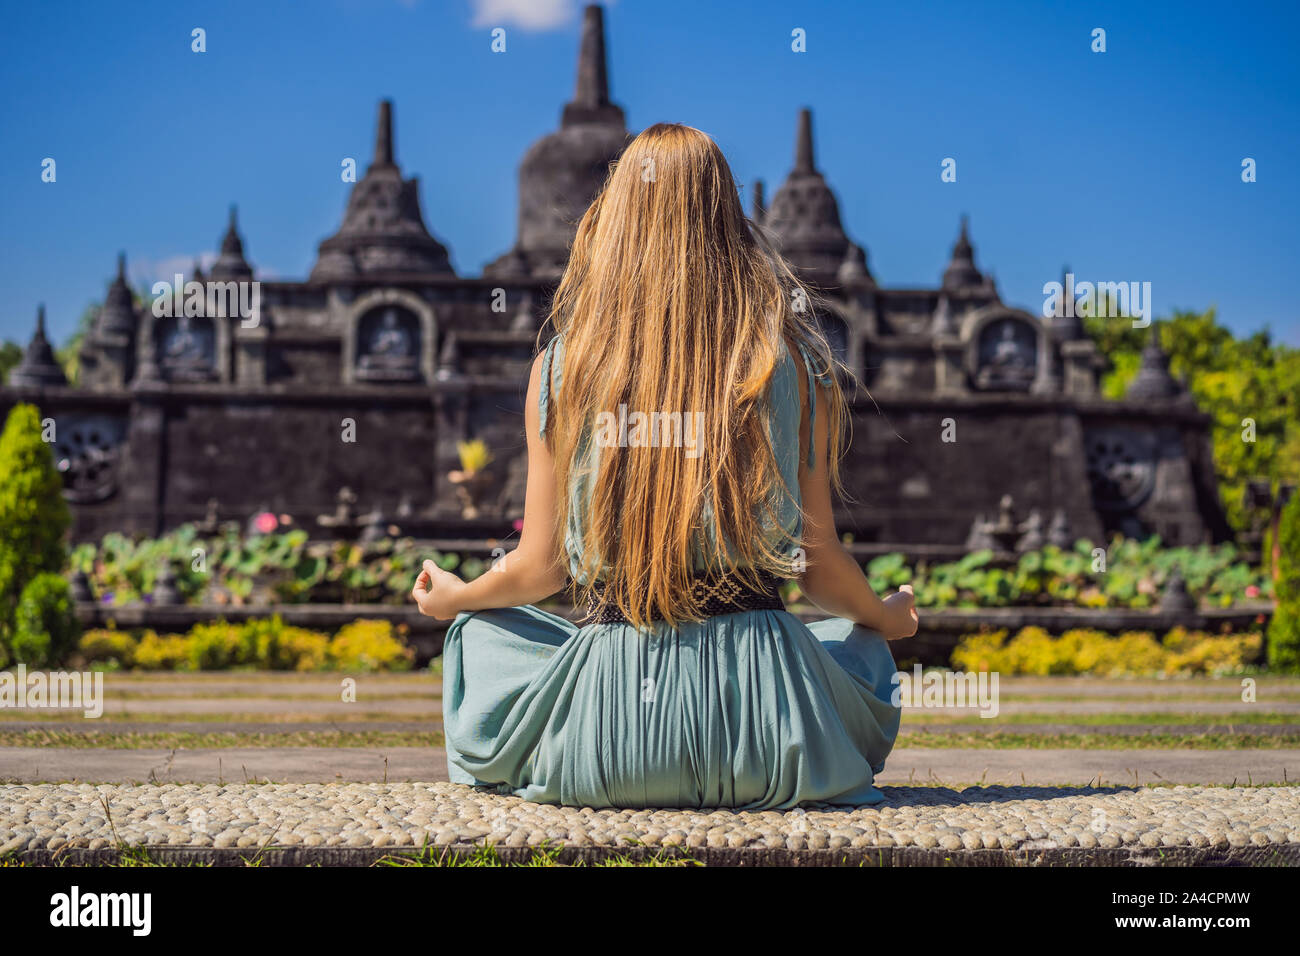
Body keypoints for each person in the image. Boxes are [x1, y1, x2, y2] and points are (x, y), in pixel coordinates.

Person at [412, 123, 917, 810]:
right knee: (854, 644)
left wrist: (454, 596)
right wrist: (884, 619)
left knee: (479, 632)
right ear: (731, 222)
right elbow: (818, 567)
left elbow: (541, 570)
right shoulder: (791, 365)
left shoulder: (561, 370)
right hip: (773, 748)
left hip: (603, 752)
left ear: (613, 222)